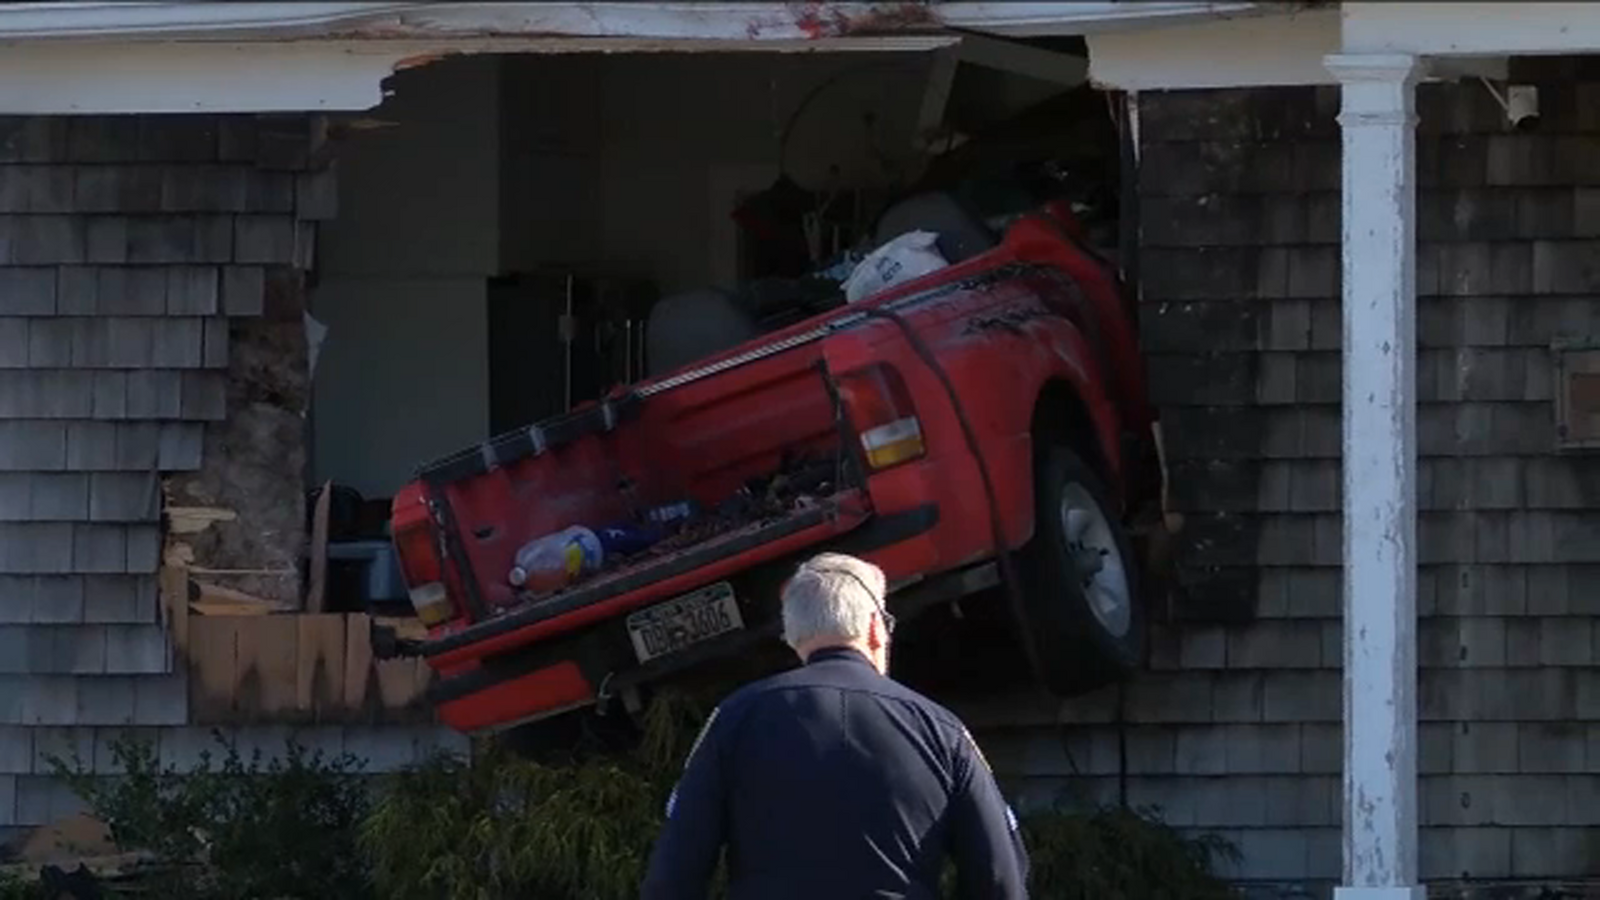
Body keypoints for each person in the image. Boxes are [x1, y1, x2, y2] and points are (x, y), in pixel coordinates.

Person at [640, 552, 1029, 900]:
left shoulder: (734, 720)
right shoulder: (943, 731)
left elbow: (673, 878)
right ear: (876, 628)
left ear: (794, 637)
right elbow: (1000, 880)